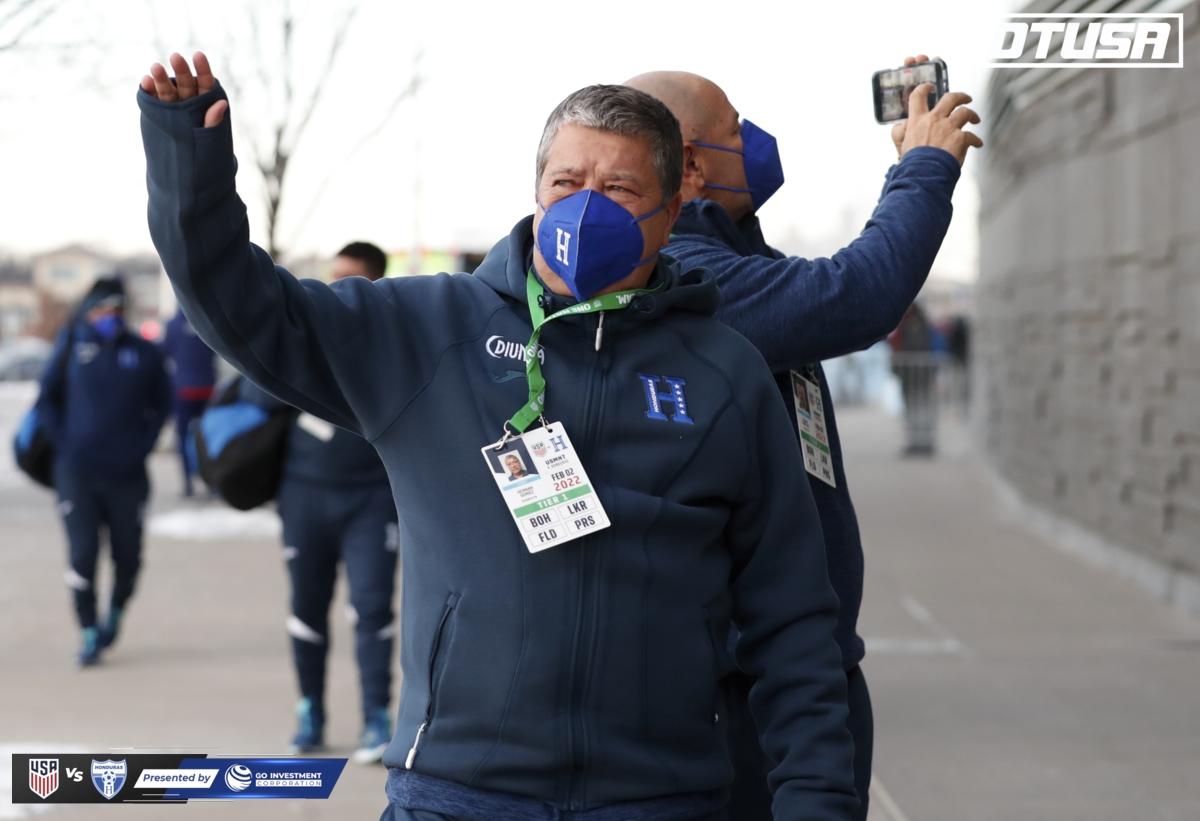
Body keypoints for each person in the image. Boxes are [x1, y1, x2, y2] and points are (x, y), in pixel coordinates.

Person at [139, 53, 857, 820]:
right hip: (457, 793)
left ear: (671, 210)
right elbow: (240, 304)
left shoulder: (725, 373)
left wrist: (818, 799)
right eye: (567, 183)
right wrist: (191, 160)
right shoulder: (428, 330)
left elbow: (793, 622)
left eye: (619, 189)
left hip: (659, 798)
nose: (588, 207)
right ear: (537, 191)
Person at [627, 64, 980, 820]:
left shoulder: (739, 267)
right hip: (746, 685)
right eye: (735, 130)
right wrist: (924, 169)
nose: (754, 143)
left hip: (791, 663)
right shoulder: (688, 278)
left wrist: (907, 163)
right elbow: (857, 295)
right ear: (688, 163)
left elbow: (840, 281)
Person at [239, 241, 401, 763]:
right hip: (304, 496)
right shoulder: (307, 334)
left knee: (373, 610)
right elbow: (256, 394)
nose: (336, 288)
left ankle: (377, 716)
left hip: (371, 500)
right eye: (333, 276)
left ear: (375, 284)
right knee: (306, 610)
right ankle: (310, 709)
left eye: (349, 278)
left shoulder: (397, 341)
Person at [34, 276, 171, 666]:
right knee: (83, 554)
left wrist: (141, 445)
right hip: (77, 474)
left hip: (127, 476)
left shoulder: (144, 352)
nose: (108, 317)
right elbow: (47, 399)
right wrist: (65, 443)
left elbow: (162, 404)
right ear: (89, 311)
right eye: (101, 310)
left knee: (128, 557)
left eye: (115, 310)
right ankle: (89, 630)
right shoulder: (71, 345)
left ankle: (116, 610)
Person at [161, 308, 217, 496]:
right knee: (207, 438)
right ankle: (210, 482)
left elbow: (165, 353)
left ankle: (187, 483)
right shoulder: (206, 320)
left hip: (183, 390)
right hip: (207, 389)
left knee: (183, 437)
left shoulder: (172, 326)